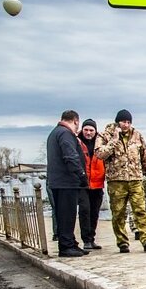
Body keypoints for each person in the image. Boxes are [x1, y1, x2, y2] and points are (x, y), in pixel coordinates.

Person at [96, 109, 146, 253]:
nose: (126, 125)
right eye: (123, 122)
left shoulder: (137, 135)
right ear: (117, 122)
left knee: (140, 210)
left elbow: (145, 156)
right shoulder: (105, 135)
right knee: (119, 213)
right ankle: (122, 242)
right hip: (116, 180)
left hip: (135, 179)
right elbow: (99, 154)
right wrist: (114, 140)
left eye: (128, 122)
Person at [45, 110, 89, 258]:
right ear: (76, 121)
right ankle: (66, 246)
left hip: (59, 182)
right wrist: (81, 175)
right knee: (67, 215)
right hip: (66, 182)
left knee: (64, 214)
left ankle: (70, 242)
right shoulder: (65, 134)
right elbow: (70, 156)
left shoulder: (55, 133)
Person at [75, 118, 106, 250]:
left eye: (91, 130)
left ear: (95, 131)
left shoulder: (100, 143)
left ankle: (92, 239)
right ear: (82, 130)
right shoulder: (77, 142)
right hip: (83, 184)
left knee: (94, 212)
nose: (88, 133)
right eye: (86, 130)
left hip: (97, 183)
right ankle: (86, 239)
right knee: (85, 211)